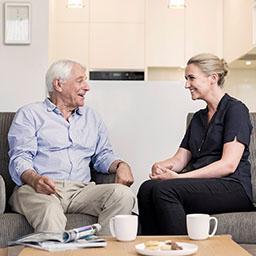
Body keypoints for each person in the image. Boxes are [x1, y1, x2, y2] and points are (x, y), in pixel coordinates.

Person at [8, 59, 135, 235]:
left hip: (81, 190)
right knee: (50, 209)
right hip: (39, 189)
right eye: (80, 80)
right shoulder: (30, 114)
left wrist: (122, 165)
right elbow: (20, 158)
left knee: (122, 195)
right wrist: (35, 179)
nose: (87, 87)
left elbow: (103, 155)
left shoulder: (92, 117)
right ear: (58, 84)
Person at [137, 53, 255, 235]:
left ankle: (181, 251)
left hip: (233, 186)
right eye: (186, 79)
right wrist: (162, 166)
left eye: (191, 78)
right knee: (147, 188)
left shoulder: (235, 110)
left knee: (165, 191)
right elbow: (180, 159)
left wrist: (180, 178)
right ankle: (154, 249)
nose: (186, 85)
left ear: (213, 78)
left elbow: (228, 165)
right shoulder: (198, 118)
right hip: (203, 184)